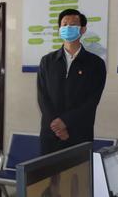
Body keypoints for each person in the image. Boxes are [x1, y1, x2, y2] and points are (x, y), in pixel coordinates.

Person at [37, 8, 106, 155]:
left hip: (79, 134)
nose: (68, 27)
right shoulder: (47, 61)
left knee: (78, 171)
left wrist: (65, 122)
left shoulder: (96, 64)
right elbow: (43, 97)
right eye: (64, 24)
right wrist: (57, 127)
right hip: (51, 135)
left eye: (73, 24)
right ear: (59, 29)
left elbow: (92, 101)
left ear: (82, 29)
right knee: (49, 170)